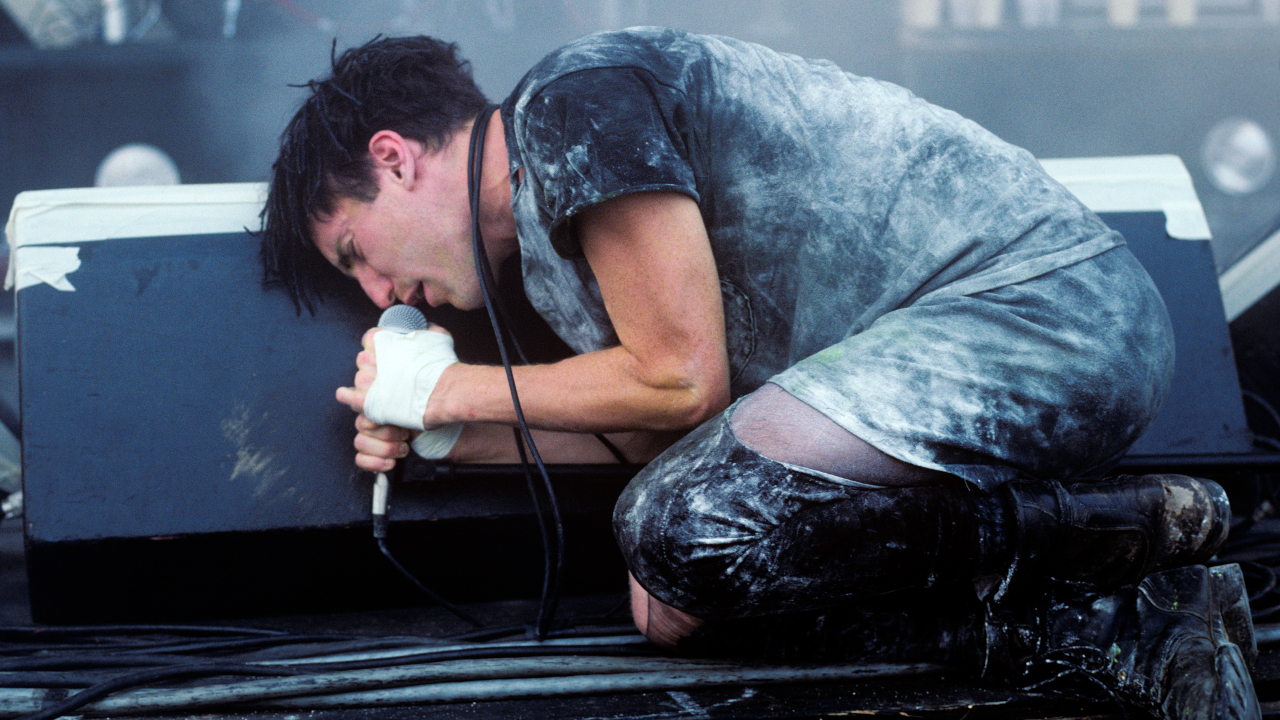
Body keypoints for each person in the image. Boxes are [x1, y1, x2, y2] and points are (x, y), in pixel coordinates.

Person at [259, 29, 1260, 719]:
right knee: (673, 601)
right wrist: (448, 441)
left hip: (1046, 314)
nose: (378, 290)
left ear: (395, 159)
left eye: (355, 253)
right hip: (947, 364)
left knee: (674, 525)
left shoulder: (569, 104)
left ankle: (1131, 527)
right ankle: (1101, 623)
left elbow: (678, 382)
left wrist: (443, 390)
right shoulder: (549, 262)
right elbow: (659, 431)